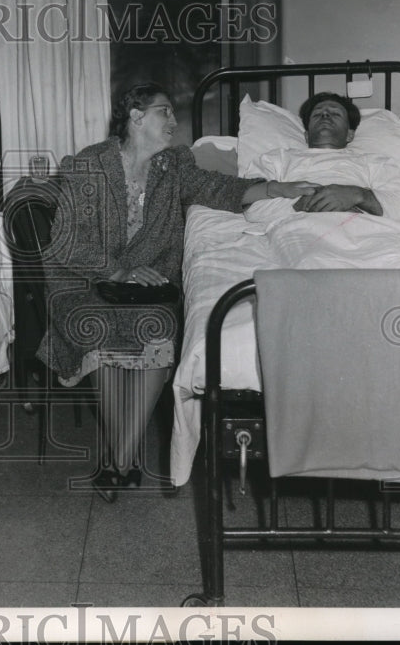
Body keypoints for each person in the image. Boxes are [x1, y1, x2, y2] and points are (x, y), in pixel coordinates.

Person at [36, 83, 314, 501]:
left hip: (148, 288)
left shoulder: (173, 165)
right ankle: (124, 461)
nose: (173, 121)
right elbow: (65, 242)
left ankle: (119, 459)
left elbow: (220, 189)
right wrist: (119, 271)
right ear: (135, 117)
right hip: (84, 281)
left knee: (159, 327)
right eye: (164, 112)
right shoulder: (88, 166)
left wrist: (277, 189)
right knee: (100, 328)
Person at [245, 92, 400, 224]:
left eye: (335, 114)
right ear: (306, 135)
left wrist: (358, 195)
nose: (325, 115)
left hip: (363, 231)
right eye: (317, 114)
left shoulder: (373, 162)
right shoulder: (277, 159)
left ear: (350, 135)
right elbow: (250, 206)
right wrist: (302, 204)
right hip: (299, 232)